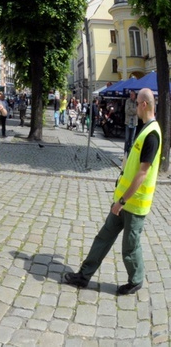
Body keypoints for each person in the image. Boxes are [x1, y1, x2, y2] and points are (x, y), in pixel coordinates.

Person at [64, 88, 160, 295]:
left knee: (130, 248)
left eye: (136, 104)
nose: (134, 108)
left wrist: (122, 201)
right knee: (103, 237)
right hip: (123, 201)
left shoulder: (152, 135)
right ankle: (83, 276)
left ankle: (135, 280)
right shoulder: (145, 129)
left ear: (144, 104)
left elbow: (142, 174)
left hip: (133, 205)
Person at [124, 90, 138, 157]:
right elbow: (126, 111)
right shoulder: (127, 101)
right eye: (130, 94)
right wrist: (134, 111)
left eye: (132, 94)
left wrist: (131, 109)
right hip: (128, 122)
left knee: (132, 140)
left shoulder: (137, 102)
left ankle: (130, 154)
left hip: (134, 123)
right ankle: (125, 153)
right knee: (126, 139)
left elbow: (137, 111)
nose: (131, 96)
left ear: (135, 95)